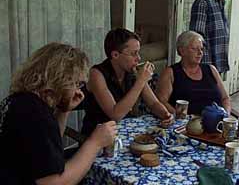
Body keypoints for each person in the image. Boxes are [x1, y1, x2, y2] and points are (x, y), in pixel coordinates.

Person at [0, 43, 116, 185]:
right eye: (76, 84)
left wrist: (64, 110)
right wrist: (95, 143)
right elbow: (54, 182)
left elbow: (50, 153)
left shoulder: (22, 100)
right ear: (60, 80)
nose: (78, 90)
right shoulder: (35, 114)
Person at [81, 28, 174, 136]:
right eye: (133, 54)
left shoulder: (132, 71)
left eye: (138, 53)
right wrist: (141, 81)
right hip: (97, 138)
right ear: (115, 55)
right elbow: (115, 115)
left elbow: (153, 103)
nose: (138, 58)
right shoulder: (96, 74)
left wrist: (166, 114)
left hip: (125, 132)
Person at [156, 31, 231, 116]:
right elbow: (161, 101)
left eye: (201, 49)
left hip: (216, 122)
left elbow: (225, 98)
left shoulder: (211, 69)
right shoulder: (171, 73)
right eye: (194, 48)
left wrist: (226, 116)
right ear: (182, 51)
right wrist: (178, 116)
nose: (200, 53)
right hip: (187, 125)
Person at [190, 0, 234, 74]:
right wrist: (202, 64)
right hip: (205, 63)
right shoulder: (203, 2)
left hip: (218, 62)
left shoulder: (220, 2)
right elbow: (197, 36)